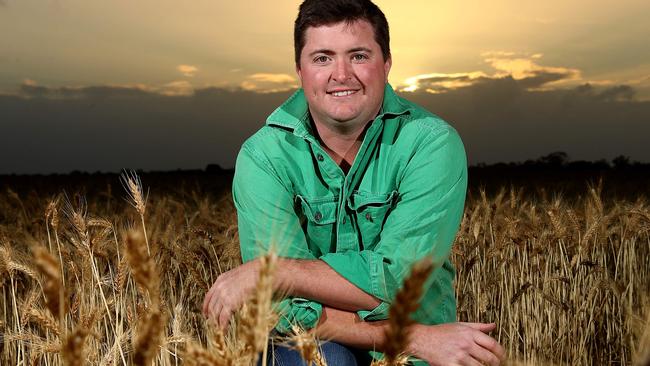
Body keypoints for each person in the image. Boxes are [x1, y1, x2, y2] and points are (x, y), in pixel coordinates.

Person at [203, 0, 505, 365]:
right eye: (322, 58)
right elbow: (281, 309)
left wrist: (277, 271)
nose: (341, 74)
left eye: (359, 56)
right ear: (300, 69)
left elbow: (397, 282)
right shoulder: (264, 156)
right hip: (313, 349)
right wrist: (410, 337)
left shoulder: (430, 144)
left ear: (387, 63)